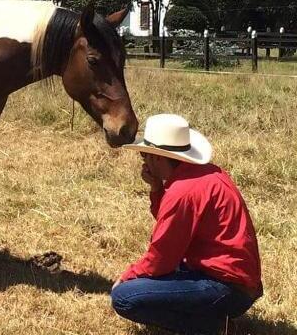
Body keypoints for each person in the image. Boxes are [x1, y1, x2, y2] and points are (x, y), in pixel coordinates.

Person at [111, 114, 262, 335]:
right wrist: (156, 188)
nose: (144, 161)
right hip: (237, 281)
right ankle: (212, 317)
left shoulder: (183, 191)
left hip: (226, 287)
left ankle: (208, 327)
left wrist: (128, 276)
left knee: (125, 297)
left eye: (145, 155)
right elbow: (173, 223)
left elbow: (161, 259)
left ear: (159, 159)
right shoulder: (205, 174)